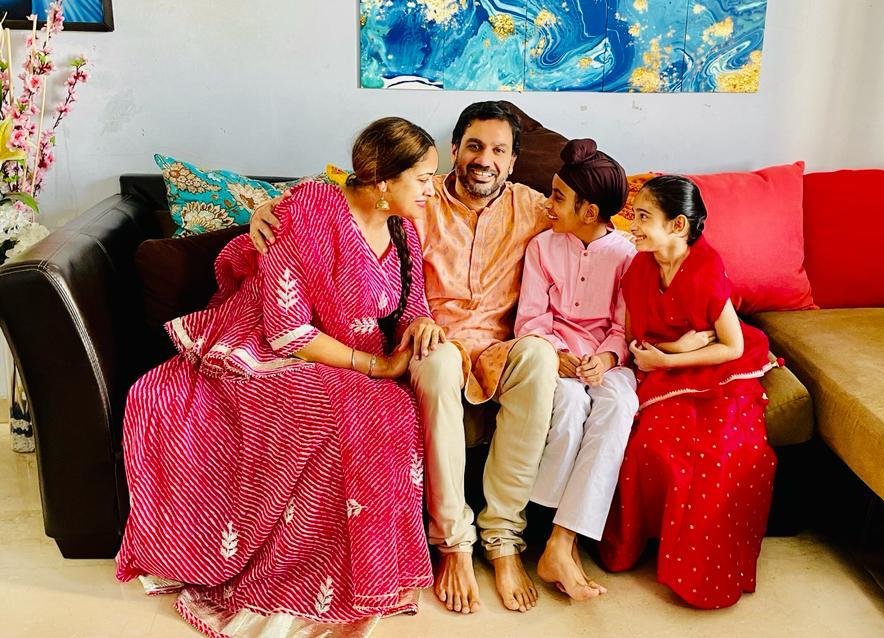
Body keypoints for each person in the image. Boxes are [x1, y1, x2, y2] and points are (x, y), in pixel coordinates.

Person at [116, 117, 439, 635]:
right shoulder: (311, 209)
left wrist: (420, 324)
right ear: (383, 179)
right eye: (422, 179)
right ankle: (285, 578)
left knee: (391, 410)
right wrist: (374, 365)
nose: (430, 190)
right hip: (267, 345)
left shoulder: (403, 229)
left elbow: (411, 303)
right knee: (339, 415)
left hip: (345, 355)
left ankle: (368, 572)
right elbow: (287, 330)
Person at [250, 102, 559, 614]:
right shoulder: (418, 196)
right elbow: (342, 191)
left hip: (500, 349)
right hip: (435, 344)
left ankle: (503, 539)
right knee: (437, 361)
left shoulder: (534, 207)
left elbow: (601, 219)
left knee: (541, 358)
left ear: (512, 161)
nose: (485, 159)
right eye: (475, 146)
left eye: (499, 150)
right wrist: (264, 208)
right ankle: (453, 543)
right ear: (455, 149)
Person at [599, 175, 778, 610]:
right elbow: (634, 338)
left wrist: (674, 356)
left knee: (723, 451)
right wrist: (668, 352)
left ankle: (703, 571)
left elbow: (731, 346)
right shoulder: (639, 268)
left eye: (643, 217)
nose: (632, 225)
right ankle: (642, 545)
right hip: (662, 371)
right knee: (651, 444)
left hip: (719, 370)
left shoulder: (705, 270)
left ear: (678, 225)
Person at [513, 138, 639, 601]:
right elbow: (531, 317)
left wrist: (605, 359)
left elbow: (624, 326)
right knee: (566, 406)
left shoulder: (627, 255)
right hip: (555, 354)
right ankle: (557, 540)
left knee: (619, 404)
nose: (548, 204)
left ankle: (560, 542)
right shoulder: (542, 247)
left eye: (558, 197)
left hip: (606, 359)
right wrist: (556, 352)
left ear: (590, 211)